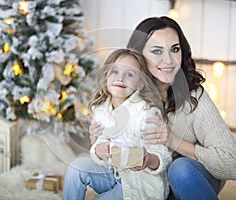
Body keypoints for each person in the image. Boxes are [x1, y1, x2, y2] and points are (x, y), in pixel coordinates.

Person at [89, 17, 236, 200]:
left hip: (191, 179)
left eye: (175, 49)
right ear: (137, 56)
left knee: (179, 169)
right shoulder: (123, 93)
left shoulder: (194, 98)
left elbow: (232, 165)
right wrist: (100, 139)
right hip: (154, 187)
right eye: (156, 51)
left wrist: (172, 140)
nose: (169, 60)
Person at [63, 49, 172, 200]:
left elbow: (164, 156)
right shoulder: (100, 110)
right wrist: (99, 151)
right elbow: (98, 146)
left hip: (138, 183)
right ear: (106, 76)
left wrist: (148, 160)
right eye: (114, 72)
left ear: (140, 84)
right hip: (112, 174)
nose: (120, 78)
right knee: (76, 167)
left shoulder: (148, 112)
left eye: (129, 74)